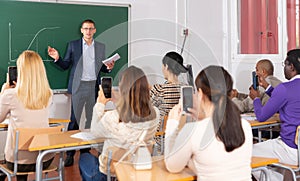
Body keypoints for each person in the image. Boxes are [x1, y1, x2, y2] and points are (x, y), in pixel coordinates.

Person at [164, 65, 253, 180]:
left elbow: (172, 166)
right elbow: (218, 165)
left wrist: (172, 125)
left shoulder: (193, 130)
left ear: (200, 94)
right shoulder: (245, 126)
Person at [47, 19, 115, 167]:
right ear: (81, 30)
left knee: (91, 120)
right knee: (74, 120)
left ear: (95, 30)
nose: (88, 31)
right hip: (78, 87)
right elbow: (65, 65)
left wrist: (109, 67)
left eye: (91, 29)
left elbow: (102, 68)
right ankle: (70, 154)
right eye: (86, 29)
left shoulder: (100, 47)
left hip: (93, 87)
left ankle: (85, 150)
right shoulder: (73, 45)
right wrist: (57, 58)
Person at [79, 66, 159, 181]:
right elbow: (133, 112)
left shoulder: (112, 118)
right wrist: (119, 100)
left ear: (123, 89)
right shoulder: (155, 114)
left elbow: (95, 132)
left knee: (84, 157)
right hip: (135, 168)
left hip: (109, 173)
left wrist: (100, 104)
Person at [0, 50, 55, 181]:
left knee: (15, 161)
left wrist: (3, 91)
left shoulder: (10, 95)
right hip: (44, 158)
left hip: (19, 162)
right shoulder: (49, 94)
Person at [249, 49, 300, 181]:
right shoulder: (284, 90)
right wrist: (268, 88)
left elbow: (261, 116)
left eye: (285, 65)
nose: (284, 69)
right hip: (297, 147)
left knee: (247, 153)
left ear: (292, 67)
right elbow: (287, 100)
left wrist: (256, 99)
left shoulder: (285, 88)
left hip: (290, 149)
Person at [150, 51, 188, 153]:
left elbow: (146, 108)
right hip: (181, 136)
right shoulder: (187, 89)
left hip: (162, 138)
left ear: (166, 66)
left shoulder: (160, 90)